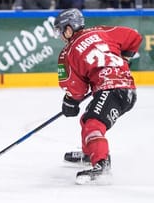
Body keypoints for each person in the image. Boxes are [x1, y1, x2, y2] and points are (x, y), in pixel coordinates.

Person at [53, 8, 142, 184]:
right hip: (127, 89)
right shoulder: (101, 31)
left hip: (112, 90)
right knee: (87, 119)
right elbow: (134, 37)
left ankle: (102, 163)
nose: (61, 36)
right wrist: (122, 60)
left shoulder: (67, 53)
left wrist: (70, 102)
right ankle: (90, 153)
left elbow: (76, 89)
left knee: (93, 124)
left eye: (61, 30)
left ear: (69, 29)